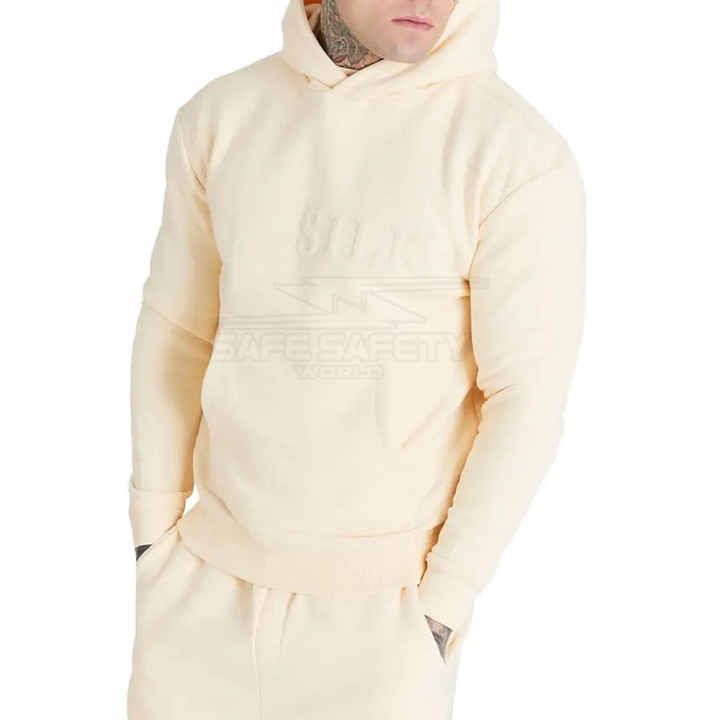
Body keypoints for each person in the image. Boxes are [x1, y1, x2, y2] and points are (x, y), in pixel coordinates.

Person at [127, 0, 586, 718]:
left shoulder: (512, 152)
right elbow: (179, 330)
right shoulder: (222, 116)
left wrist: (442, 603)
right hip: (198, 598)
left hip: (382, 624)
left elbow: (524, 401)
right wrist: (153, 533)